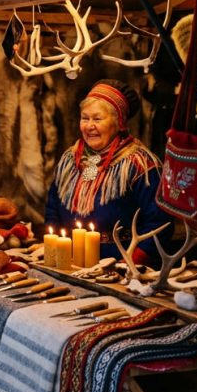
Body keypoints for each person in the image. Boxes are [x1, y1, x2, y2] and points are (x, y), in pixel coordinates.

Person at [45, 79, 173, 262]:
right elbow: (53, 209)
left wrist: (129, 263)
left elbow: (159, 224)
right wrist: (56, 251)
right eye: (85, 118)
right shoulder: (69, 159)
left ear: (119, 122)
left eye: (97, 119)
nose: (89, 126)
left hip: (118, 266)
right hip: (69, 261)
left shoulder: (140, 165)